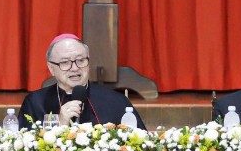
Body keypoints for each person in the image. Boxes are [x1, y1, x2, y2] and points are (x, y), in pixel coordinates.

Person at [18, 33, 146, 129]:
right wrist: (60, 124)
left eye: (80, 60)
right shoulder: (35, 103)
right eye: (65, 62)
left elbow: (140, 146)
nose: (74, 68)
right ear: (51, 68)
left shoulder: (117, 101)